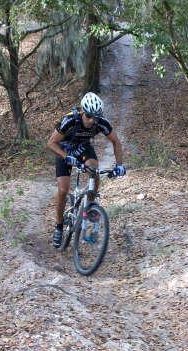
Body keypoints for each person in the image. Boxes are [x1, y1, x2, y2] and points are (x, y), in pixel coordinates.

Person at [46, 92, 126, 248]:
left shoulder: (101, 123)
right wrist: (66, 156)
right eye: (89, 116)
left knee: (94, 170)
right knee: (63, 190)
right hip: (64, 149)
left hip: (83, 148)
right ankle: (59, 226)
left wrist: (119, 165)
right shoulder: (70, 119)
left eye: (96, 117)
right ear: (83, 111)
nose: (92, 121)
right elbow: (51, 143)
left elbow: (116, 142)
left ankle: (89, 205)